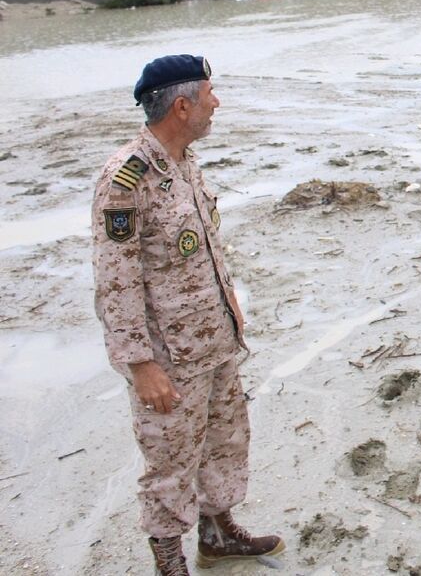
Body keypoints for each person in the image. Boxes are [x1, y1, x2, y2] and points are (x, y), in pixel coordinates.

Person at [92, 55, 283, 576]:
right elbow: (116, 281)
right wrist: (140, 365)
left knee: (225, 441)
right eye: (209, 94)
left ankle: (217, 533)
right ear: (182, 106)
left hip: (214, 340)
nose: (215, 103)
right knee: (170, 462)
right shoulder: (126, 180)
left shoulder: (184, 163)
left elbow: (200, 249)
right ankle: (170, 562)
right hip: (170, 358)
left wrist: (232, 310)